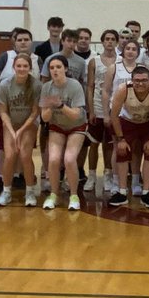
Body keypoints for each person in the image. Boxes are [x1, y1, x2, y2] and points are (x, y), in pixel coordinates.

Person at [108, 64, 149, 208]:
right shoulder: (123, 90)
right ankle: (121, 192)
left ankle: (146, 193)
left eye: (144, 80)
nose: (140, 83)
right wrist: (120, 139)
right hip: (127, 121)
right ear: (131, 80)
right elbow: (113, 115)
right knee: (122, 151)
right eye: (137, 80)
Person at [39, 55, 88, 210]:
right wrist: (49, 108)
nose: (55, 70)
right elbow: (45, 118)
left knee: (69, 159)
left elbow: (76, 115)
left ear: (65, 69)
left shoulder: (74, 86)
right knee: (53, 160)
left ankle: (74, 195)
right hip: (57, 126)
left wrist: (60, 106)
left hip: (76, 126)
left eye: (58, 67)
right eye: (52, 68)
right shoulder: (47, 87)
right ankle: (54, 194)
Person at [0, 54, 41, 206]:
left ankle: (30, 192)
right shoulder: (4, 85)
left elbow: (35, 112)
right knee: (10, 155)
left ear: (30, 68)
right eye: (19, 66)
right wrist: (12, 130)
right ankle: (6, 191)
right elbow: (2, 112)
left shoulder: (36, 85)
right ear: (13, 67)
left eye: (25, 66)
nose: (22, 69)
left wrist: (20, 131)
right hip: (10, 123)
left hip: (28, 123)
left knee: (25, 154)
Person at [85, 28, 119, 195]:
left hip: (113, 108)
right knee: (93, 143)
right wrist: (90, 110)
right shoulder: (94, 61)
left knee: (110, 144)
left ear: (117, 42)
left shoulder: (120, 61)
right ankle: (91, 176)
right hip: (97, 106)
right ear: (103, 41)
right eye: (107, 39)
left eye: (113, 39)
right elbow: (90, 86)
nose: (110, 41)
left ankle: (108, 174)